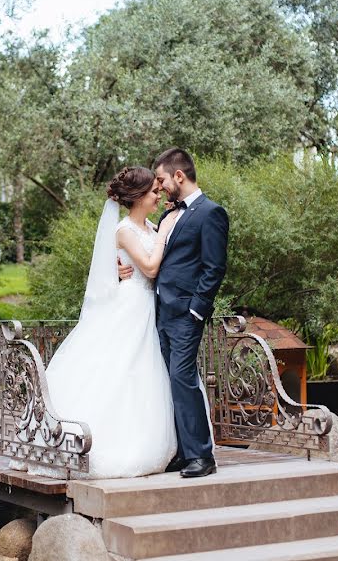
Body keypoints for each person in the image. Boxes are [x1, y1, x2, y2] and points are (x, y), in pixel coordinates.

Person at [21, 166, 180, 479]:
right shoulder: (123, 230)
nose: (157, 195)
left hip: (148, 306)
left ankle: (143, 438)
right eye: (153, 191)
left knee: (141, 375)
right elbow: (148, 267)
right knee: (119, 371)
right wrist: (164, 232)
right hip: (131, 306)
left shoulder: (148, 226)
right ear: (137, 197)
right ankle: (86, 442)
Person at [119, 148, 229, 478]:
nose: (161, 186)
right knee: (169, 380)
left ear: (178, 176)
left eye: (163, 179)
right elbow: (143, 248)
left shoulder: (211, 213)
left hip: (185, 313)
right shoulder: (169, 215)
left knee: (182, 378)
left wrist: (198, 310)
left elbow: (214, 268)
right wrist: (117, 265)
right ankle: (183, 451)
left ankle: (201, 456)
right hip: (160, 311)